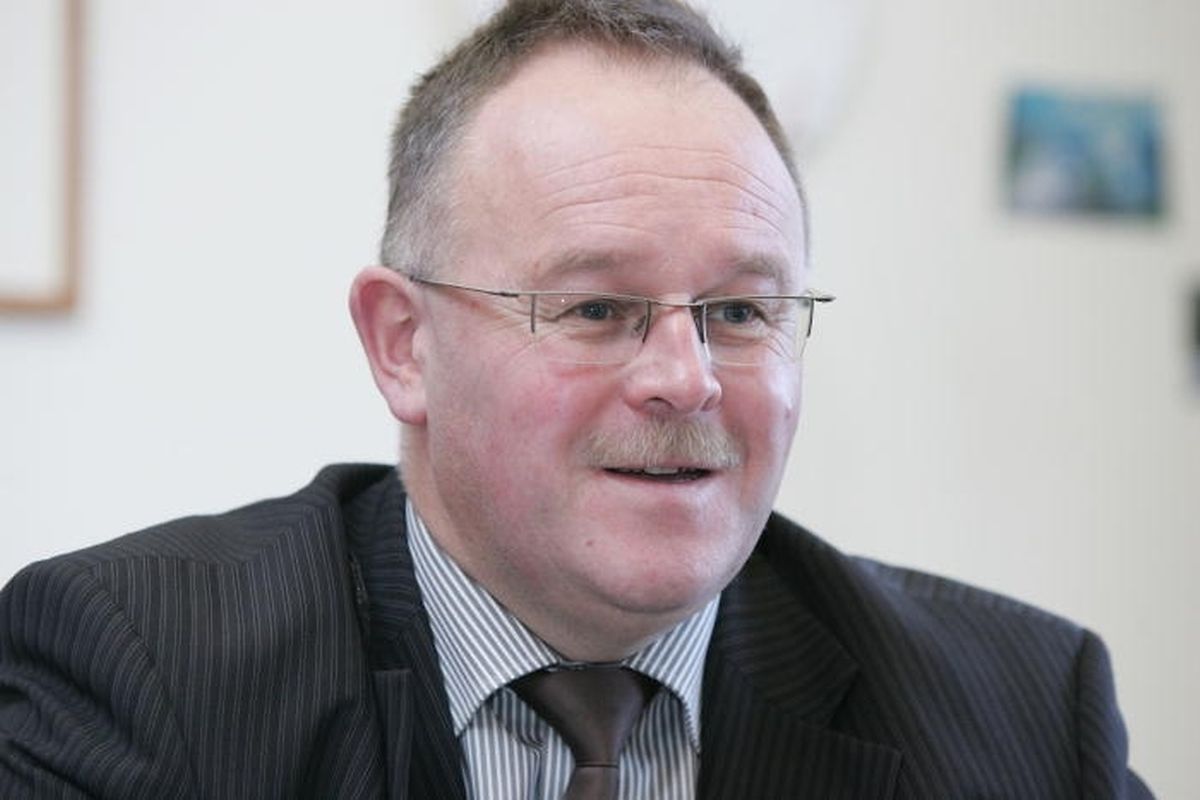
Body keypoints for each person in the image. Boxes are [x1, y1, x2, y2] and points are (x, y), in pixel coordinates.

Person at [0, 1, 1151, 798]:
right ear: (404, 344)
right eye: (597, 307)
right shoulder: (140, 671)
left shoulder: (1023, 713)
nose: (686, 376)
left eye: (739, 310)